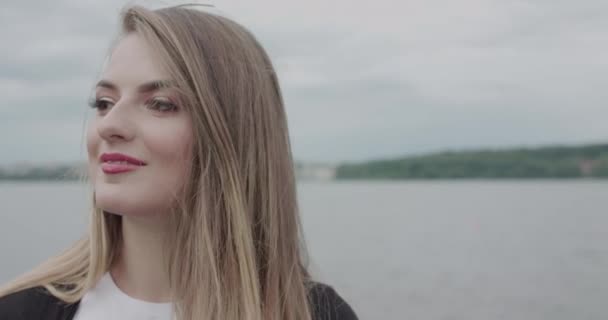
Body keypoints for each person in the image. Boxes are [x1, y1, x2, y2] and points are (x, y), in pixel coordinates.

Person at [0, 4, 358, 320]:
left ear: (231, 135)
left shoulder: (317, 314)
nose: (109, 125)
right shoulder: (19, 310)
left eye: (160, 104)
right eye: (104, 103)